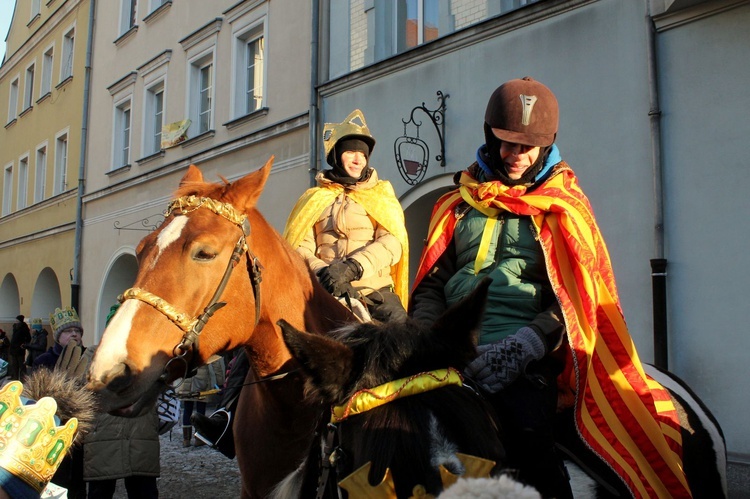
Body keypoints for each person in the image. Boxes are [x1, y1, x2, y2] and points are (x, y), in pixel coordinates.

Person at [410, 77, 690, 498]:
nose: (516, 155)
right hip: (450, 348)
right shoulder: (454, 204)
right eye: (507, 143)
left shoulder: (565, 207)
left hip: (525, 354)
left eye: (527, 147)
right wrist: (432, 338)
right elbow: (432, 285)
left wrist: (528, 342)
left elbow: (581, 299)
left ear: (546, 145)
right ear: (490, 136)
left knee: (528, 439)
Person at [284, 108, 409, 323]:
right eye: (351, 152)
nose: (358, 159)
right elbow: (299, 248)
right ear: (336, 155)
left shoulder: (380, 194)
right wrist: (324, 274)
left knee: (406, 340)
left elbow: (392, 242)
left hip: (373, 291)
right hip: (324, 290)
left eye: (363, 154)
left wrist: (353, 267)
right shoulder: (314, 198)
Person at [84, 304, 160, 499]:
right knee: (100, 493)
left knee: (144, 492)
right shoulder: (92, 356)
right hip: (102, 440)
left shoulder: (149, 359)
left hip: (140, 439)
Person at [176, 357, 225, 448]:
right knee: (200, 410)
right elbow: (216, 364)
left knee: (187, 409)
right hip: (201, 380)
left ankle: (186, 440)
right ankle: (199, 439)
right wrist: (220, 382)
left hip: (186, 378)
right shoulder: (206, 343)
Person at [9, 315, 30, 380]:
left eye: (17, 320)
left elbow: (28, 338)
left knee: (21, 364)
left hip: (20, 349)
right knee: (14, 364)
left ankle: (23, 378)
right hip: (13, 349)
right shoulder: (15, 327)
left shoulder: (24, 328)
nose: (16, 321)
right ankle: (14, 377)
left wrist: (24, 344)